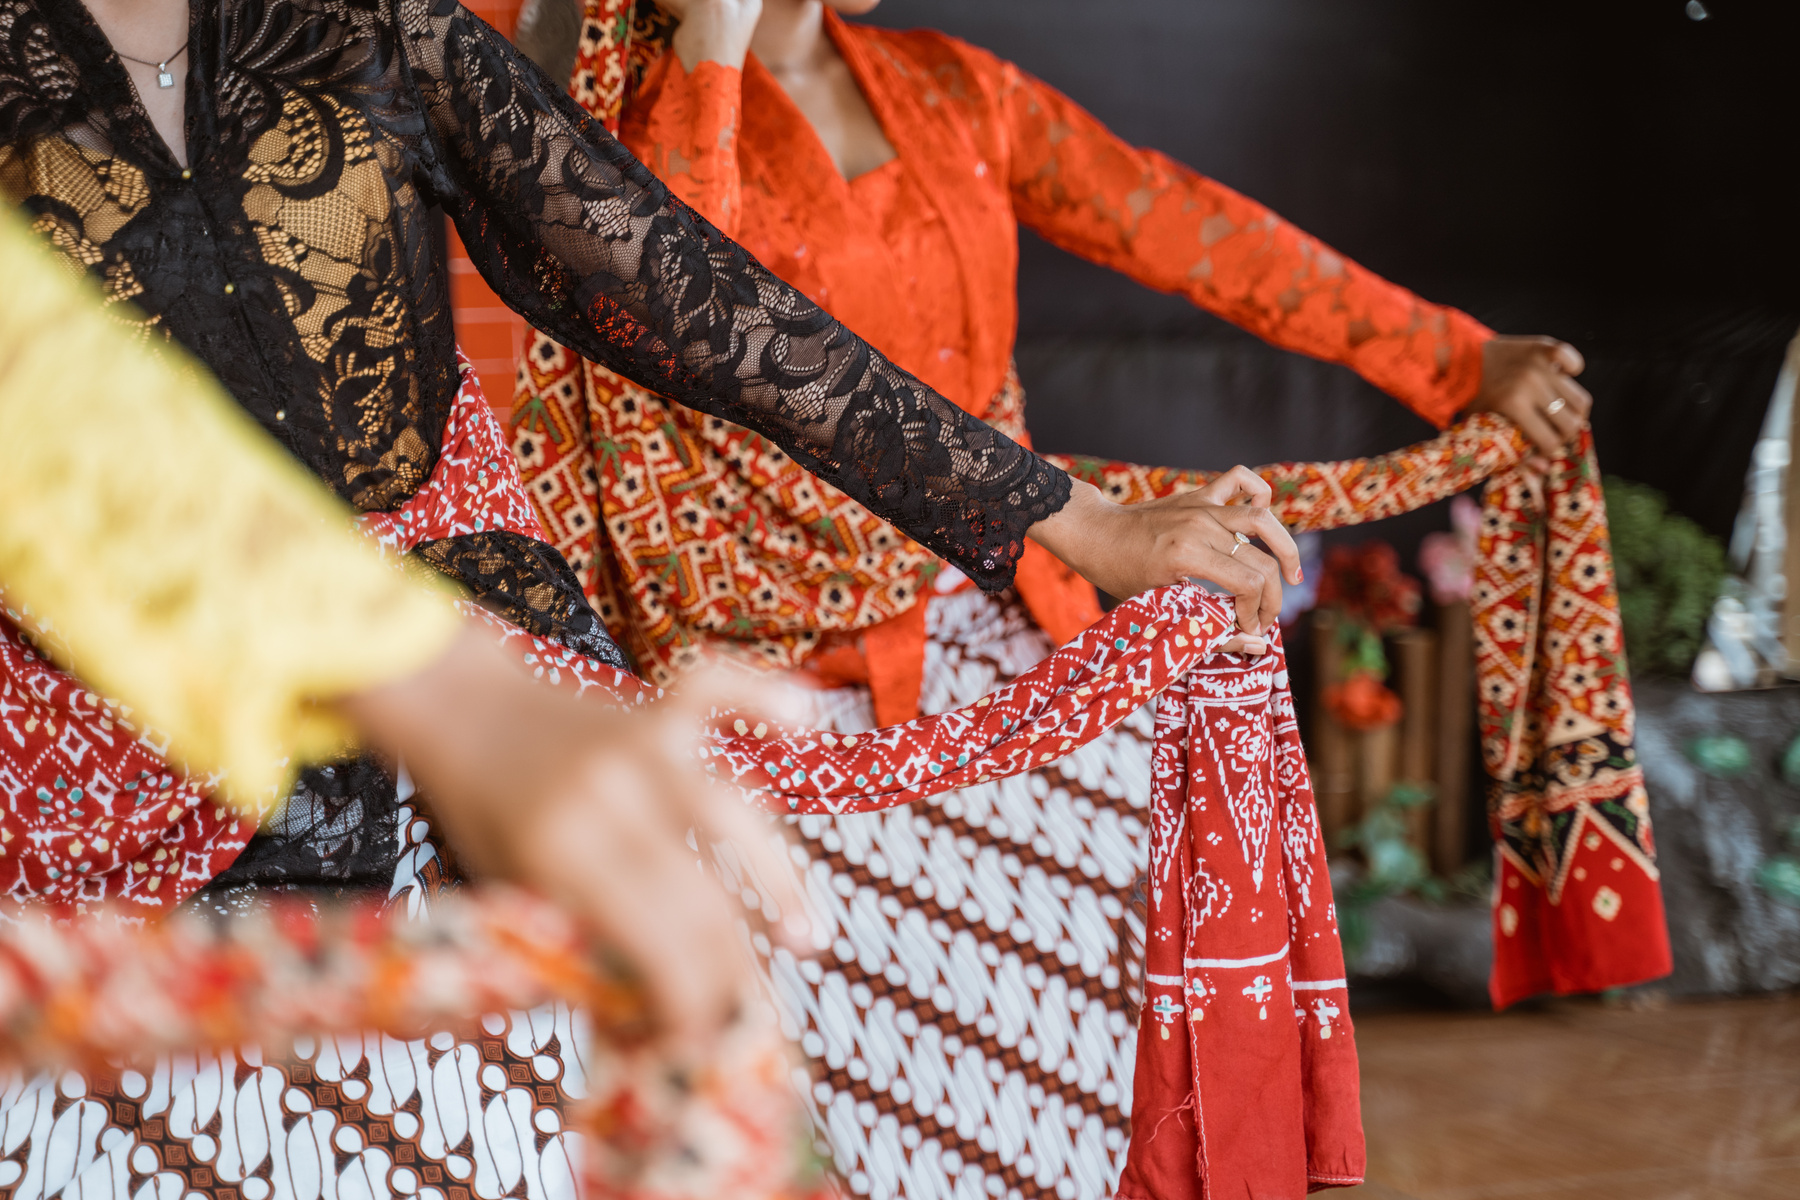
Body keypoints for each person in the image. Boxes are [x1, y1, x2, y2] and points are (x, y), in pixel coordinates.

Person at [0, 1, 1299, 1195]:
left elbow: (698, 297)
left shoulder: (366, 18)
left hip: (494, 691)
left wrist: (1069, 521)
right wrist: (440, 692)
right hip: (105, 770)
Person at [504, 3, 1634, 1198]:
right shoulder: (609, 110)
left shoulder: (949, 89)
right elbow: (667, 318)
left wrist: (1455, 358)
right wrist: (709, 53)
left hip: (1013, 652)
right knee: (852, 1105)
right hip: (776, 704)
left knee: (1088, 1078)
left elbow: (1192, 230)